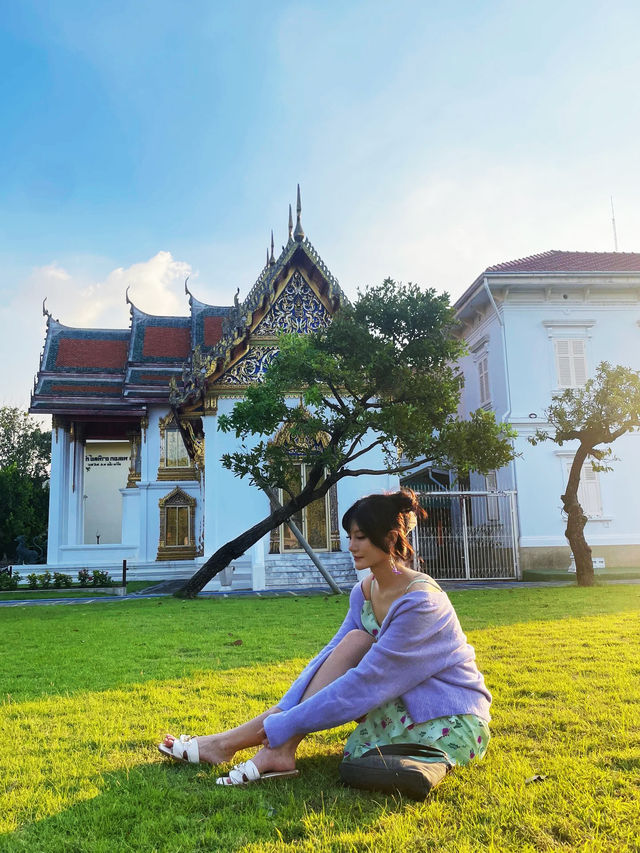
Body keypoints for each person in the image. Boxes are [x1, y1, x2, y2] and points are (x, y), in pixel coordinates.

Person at [159, 489, 491, 786]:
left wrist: (284, 724)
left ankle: (230, 745)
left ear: (390, 537)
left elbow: (367, 682)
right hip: (395, 705)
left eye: (360, 537)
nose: (351, 546)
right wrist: (283, 713)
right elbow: (330, 659)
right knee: (353, 643)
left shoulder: (421, 601)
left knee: (352, 670)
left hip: (447, 717)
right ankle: (252, 747)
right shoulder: (364, 591)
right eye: (349, 536)